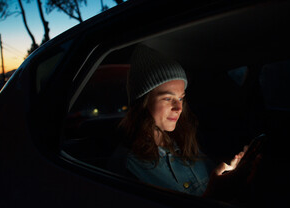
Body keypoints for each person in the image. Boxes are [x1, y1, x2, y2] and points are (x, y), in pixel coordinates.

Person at [110, 44, 259, 200]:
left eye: (181, 98)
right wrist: (213, 194)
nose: (179, 108)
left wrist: (236, 170)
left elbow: (213, 180)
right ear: (143, 102)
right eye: (168, 98)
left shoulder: (183, 144)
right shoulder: (128, 165)